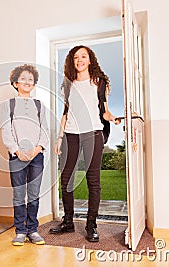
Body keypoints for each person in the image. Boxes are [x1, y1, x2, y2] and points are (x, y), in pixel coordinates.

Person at [49, 46, 121, 242]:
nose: (79, 60)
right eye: (75, 57)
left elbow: (104, 110)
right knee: (66, 180)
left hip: (93, 133)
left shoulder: (99, 82)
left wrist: (112, 117)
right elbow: (65, 112)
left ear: (90, 60)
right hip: (71, 134)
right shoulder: (68, 84)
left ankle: (91, 225)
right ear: (72, 61)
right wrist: (59, 137)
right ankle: (68, 222)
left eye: (83, 56)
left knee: (93, 181)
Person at [2, 64, 49, 246]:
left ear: (34, 83)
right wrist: (17, 151)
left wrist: (37, 149)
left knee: (34, 194)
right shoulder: (9, 104)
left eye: (30, 79)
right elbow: (6, 129)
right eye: (23, 79)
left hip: (36, 156)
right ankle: (20, 231)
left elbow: (44, 130)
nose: (27, 82)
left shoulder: (39, 105)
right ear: (15, 83)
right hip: (16, 156)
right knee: (19, 194)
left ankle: (33, 230)